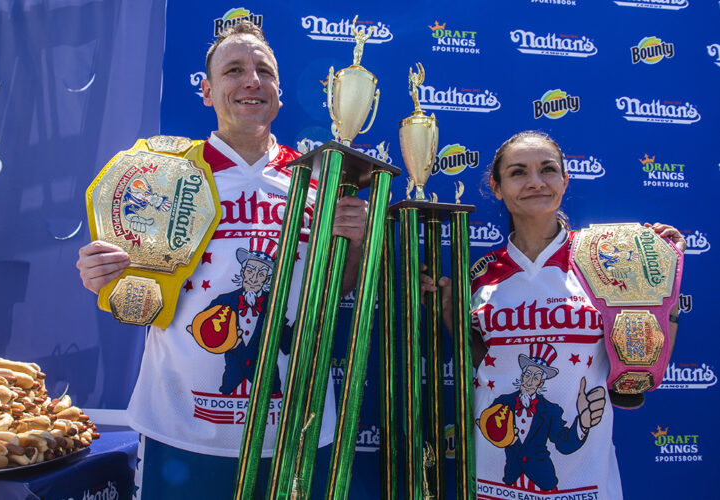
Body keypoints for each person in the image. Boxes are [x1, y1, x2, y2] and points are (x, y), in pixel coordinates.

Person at [77, 21, 367, 498]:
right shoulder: (163, 177)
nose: (251, 80)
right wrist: (103, 274)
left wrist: (352, 244)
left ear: (278, 92)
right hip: (182, 431)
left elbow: (343, 288)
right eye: (234, 70)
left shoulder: (317, 183)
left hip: (294, 428)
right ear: (208, 92)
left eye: (264, 71)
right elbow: (136, 296)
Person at [423, 130, 685, 499]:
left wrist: (665, 287)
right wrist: (448, 312)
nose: (535, 182)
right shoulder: (480, 275)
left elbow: (642, 373)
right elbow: (480, 361)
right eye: (518, 173)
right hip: (493, 469)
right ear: (496, 188)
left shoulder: (611, 260)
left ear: (564, 180)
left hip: (585, 476)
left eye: (547, 170)